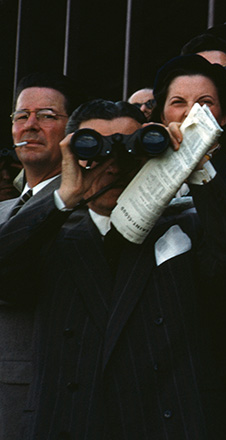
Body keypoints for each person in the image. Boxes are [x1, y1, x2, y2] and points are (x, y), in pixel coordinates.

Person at [0, 99, 226, 439]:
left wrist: (191, 162)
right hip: (71, 423)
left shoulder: (182, 226)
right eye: (95, 148)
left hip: (169, 423)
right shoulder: (48, 237)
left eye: (129, 148)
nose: (113, 165)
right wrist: (63, 195)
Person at [1, 73, 82, 439]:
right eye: (21, 116)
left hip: (29, 399)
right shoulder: (3, 211)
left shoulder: (79, 210)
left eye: (47, 115)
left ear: (72, 129)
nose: (30, 126)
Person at [151, 54, 226, 173]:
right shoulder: (145, 167)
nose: (191, 113)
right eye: (178, 102)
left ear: (224, 117)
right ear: (162, 116)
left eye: (205, 102)